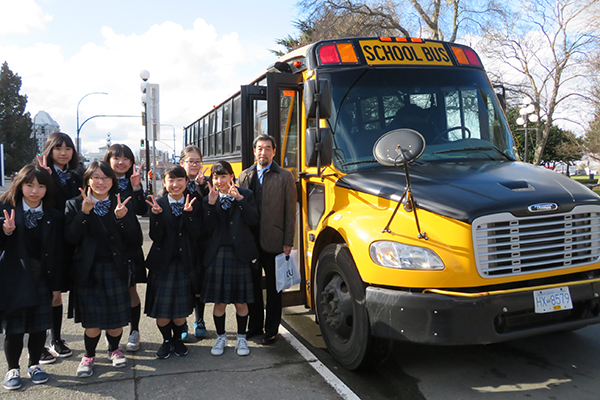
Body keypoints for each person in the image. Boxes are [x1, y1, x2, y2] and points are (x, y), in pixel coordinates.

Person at [65, 161, 142, 378]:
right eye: (96, 177)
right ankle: (89, 355)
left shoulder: (121, 204)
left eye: (106, 178)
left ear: (112, 181)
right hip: (87, 270)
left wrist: (122, 219)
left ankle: (114, 349)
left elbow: (135, 240)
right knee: (92, 322)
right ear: (88, 180)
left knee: (116, 319)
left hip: (114, 268)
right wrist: (84, 213)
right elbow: (70, 238)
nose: (101, 182)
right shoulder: (74, 204)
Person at [0, 164, 63, 390]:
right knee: (15, 328)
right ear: (20, 185)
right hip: (14, 277)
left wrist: (57, 285)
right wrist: (5, 231)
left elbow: (57, 252)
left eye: (41, 186)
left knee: (39, 327)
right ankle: (12, 369)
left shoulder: (53, 214)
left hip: (41, 277)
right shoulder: (6, 207)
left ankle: (35, 364)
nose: (34, 191)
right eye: (29, 185)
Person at [238, 134, 296, 345]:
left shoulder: (284, 176)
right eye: (260, 148)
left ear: (274, 151)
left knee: (274, 288)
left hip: (275, 241)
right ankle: (254, 326)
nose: (264, 152)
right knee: (252, 286)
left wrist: (288, 240)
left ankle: (271, 329)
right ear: (255, 151)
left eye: (268, 148)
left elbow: (290, 212)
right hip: (250, 241)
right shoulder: (245, 175)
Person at [145, 165, 201, 359]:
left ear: (186, 182)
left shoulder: (194, 202)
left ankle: (177, 340)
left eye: (180, 180)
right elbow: (155, 236)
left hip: (184, 264)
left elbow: (197, 235)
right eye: (171, 180)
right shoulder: (157, 203)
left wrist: (189, 214)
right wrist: (157, 216)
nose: (175, 184)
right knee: (162, 313)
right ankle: (166, 341)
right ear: (165, 182)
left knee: (179, 314)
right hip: (162, 265)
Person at [202, 161, 258, 356]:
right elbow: (206, 230)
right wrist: (210, 204)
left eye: (223, 176)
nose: (219, 181)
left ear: (231, 176)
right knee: (219, 303)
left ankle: (241, 338)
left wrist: (240, 200)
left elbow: (254, 220)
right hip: (217, 255)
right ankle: (221, 337)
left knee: (241, 302)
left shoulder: (246, 195)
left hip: (239, 255)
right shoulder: (209, 198)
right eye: (215, 177)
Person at [35, 132, 82, 364]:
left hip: (68, 241)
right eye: (58, 148)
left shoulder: (75, 177)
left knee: (56, 293)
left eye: (68, 148)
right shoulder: (39, 174)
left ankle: (56, 339)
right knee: (44, 292)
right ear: (49, 150)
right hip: (46, 240)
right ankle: (39, 345)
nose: (63, 152)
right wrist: (45, 178)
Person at [104, 144, 147, 352]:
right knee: (109, 289)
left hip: (129, 241)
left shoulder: (134, 181)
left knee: (131, 288)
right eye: (117, 158)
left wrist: (137, 188)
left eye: (126, 159)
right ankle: (111, 331)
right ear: (108, 160)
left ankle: (134, 331)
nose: (121, 162)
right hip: (105, 242)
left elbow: (141, 209)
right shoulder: (100, 180)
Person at [179, 145, 209, 341]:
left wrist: (201, 186)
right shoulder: (175, 180)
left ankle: (200, 320)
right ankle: (182, 323)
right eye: (191, 161)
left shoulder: (205, 183)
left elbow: (208, 206)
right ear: (182, 163)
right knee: (183, 283)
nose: (195, 165)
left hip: (200, 240)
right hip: (181, 240)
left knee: (199, 283)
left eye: (197, 161)